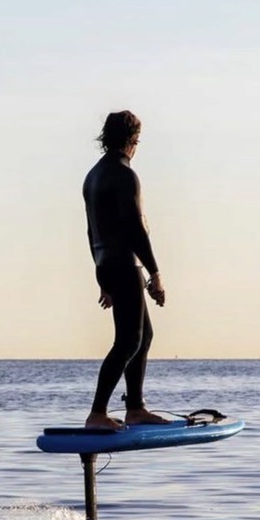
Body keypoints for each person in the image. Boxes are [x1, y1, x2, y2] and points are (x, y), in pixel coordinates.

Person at [82, 110, 171, 430]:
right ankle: (97, 413)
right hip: (124, 263)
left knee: (143, 336)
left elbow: (91, 231)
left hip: (107, 263)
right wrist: (155, 273)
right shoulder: (124, 174)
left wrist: (100, 275)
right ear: (134, 140)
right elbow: (136, 229)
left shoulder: (93, 175)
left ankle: (135, 408)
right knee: (129, 341)